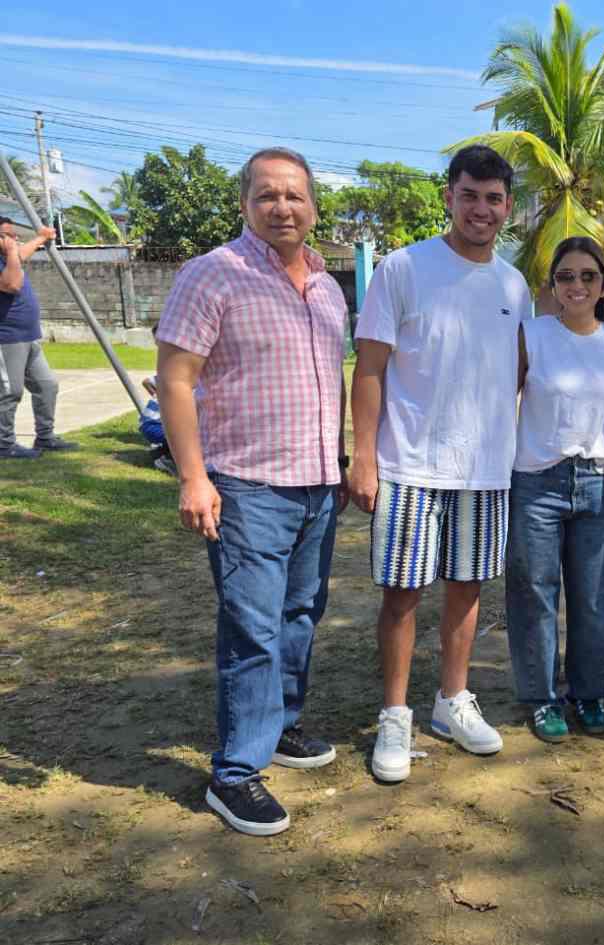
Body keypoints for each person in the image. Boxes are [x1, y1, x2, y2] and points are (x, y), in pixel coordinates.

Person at [156, 147, 349, 836]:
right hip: (247, 486)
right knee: (253, 628)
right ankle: (235, 772)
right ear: (245, 204)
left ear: (314, 205)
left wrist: (342, 458)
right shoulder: (213, 274)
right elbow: (175, 379)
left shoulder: (327, 286)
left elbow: (333, 380)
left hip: (316, 484)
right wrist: (193, 475)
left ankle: (280, 726)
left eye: (295, 195)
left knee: (300, 613)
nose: (282, 206)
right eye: (267, 195)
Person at [350, 145, 532, 781]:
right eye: (469, 195)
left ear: (507, 207)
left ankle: (452, 699)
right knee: (401, 595)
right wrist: (363, 458)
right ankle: (394, 714)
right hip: (409, 464)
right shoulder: (402, 269)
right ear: (449, 197)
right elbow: (369, 367)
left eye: (493, 198)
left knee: (468, 588)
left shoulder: (514, 284)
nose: (481, 209)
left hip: (483, 469)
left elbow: (519, 370)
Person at [506, 237, 604, 743]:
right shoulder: (531, 335)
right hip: (536, 480)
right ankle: (541, 698)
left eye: (588, 276)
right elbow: (503, 400)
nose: (576, 285)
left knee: (597, 596)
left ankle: (589, 691)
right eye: (565, 276)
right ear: (552, 285)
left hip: (595, 482)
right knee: (535, 593)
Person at [0, 217, 77, 459]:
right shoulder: (6, 259)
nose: (14, 239)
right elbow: (12, 284)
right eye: (8, 235)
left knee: (47, 386)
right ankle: (4, 445)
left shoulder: (8, 257)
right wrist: (12, 252)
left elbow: (21, 254)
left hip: (29, 337)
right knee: (10, 392)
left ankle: (45, 438)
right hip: (7, 338)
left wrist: (41, 238)